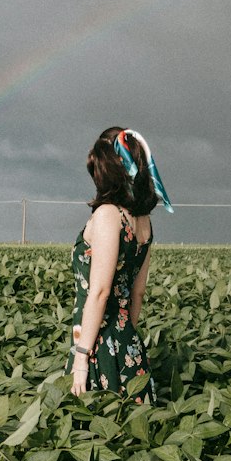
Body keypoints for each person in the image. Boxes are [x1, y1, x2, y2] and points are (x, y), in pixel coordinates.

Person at [68, 126, 173, 399]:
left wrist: (81, 358)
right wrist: (127, 339)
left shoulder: (107, 215)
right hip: (129, 342)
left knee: (95, 427)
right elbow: (137, 292)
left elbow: (100, 293)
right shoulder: (143, 220)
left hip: (96, 344)